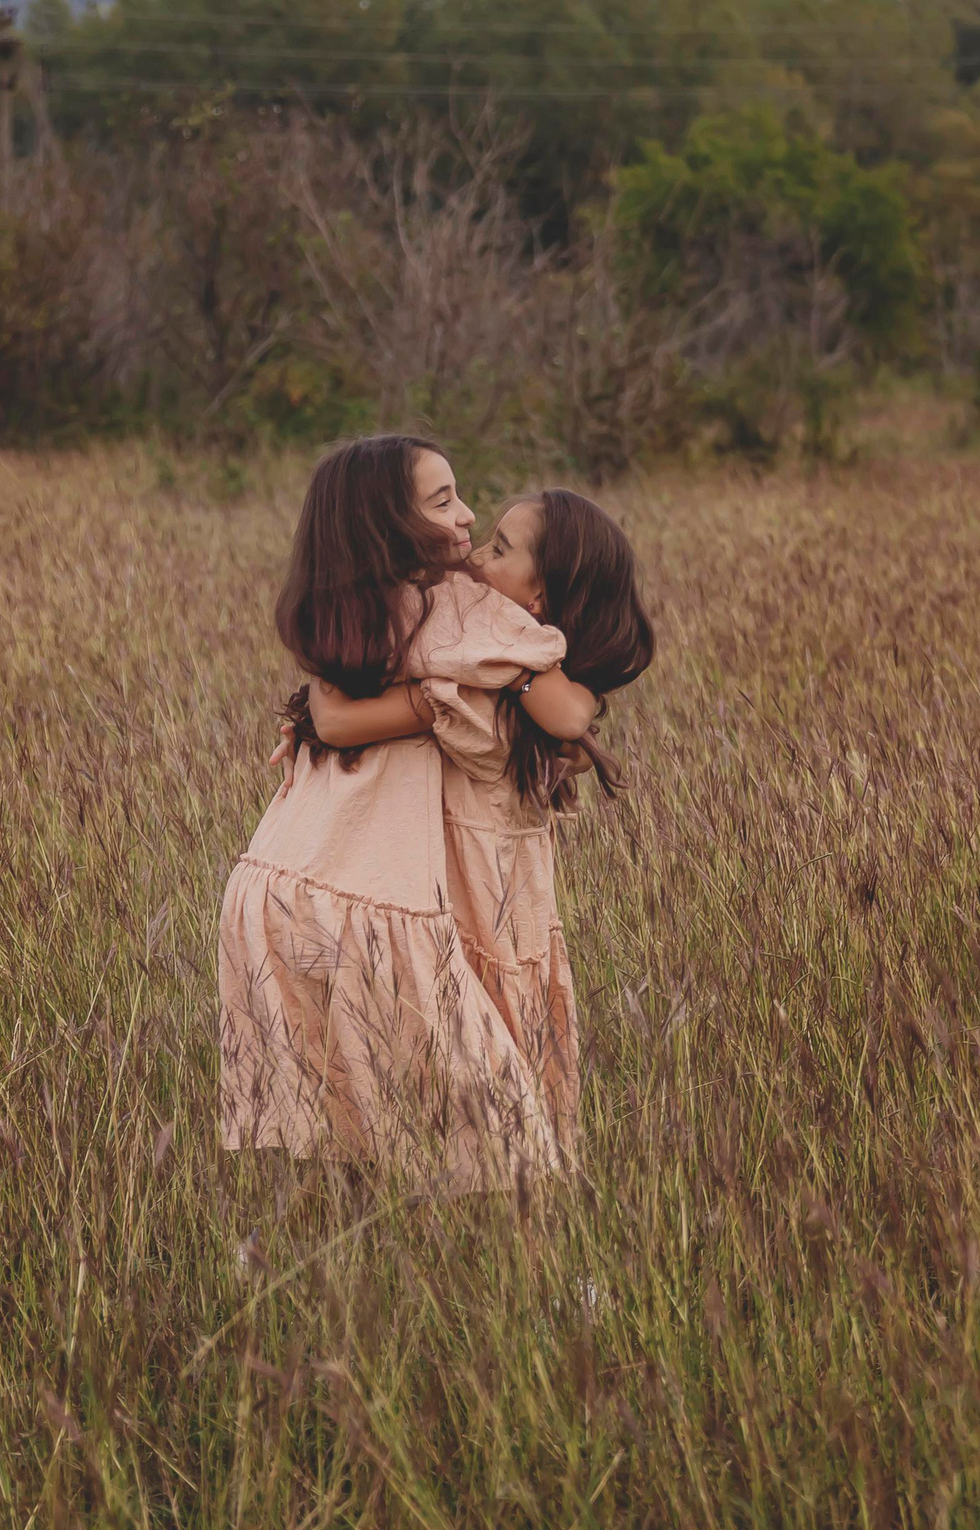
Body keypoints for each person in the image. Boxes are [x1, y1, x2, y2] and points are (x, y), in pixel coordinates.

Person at [216, 436, 591, 1196]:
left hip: (279, 893)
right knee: (508, 1147)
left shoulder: (354, 619)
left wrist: (428, 704)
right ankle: (530, 1282)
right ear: (388, 525)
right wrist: (510, 680)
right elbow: (573, 717)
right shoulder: (454, 609)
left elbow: (331, 710)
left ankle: (361, 1272)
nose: (468, 515)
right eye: (444, 500)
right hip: (372, 904)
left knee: (354, 1129)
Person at [304, 490, 654, 1158]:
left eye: (501, 548)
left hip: (476, 908)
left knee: (486, 1107)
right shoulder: (502, 669)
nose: (477, 556)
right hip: (484, 907)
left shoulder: (490, 664)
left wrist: (514, 677)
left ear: (540, 599)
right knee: (484, 1100)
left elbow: (340, 718)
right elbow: (573, 723)